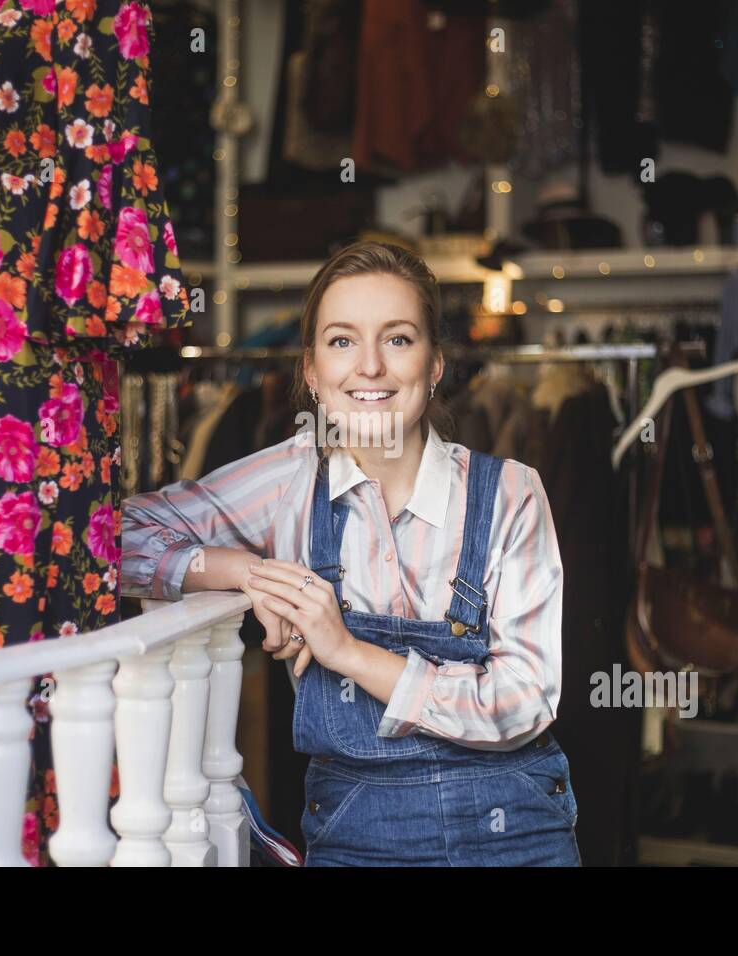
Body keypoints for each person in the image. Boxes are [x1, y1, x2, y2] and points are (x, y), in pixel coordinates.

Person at [121, 240, 579, 866]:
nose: (369, 367)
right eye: (341, 341)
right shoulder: (288, 481)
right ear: (310, 371)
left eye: (397, 339)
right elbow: (116, 537)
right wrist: (254, 576)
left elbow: (524, 698)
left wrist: (348, 653)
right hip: (358, 838)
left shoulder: (510, 493)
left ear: (436, 363)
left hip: (516, 836)